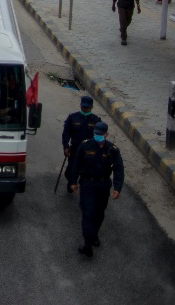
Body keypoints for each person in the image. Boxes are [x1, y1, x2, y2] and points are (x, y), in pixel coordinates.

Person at [66, 120, 125, 257]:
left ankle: (94, 235)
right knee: (88, 213)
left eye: (100, 135)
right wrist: (73, 181)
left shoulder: (112, 149)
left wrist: (117, 187)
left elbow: (118, 169)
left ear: (106, 134)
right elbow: (76, 164)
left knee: (99, 213)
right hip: (88, 184)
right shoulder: (85, 145)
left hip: (103, 185)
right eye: (96, 134)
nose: (97, 136)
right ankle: (87, 244)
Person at [61, 94, 101, 168]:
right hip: (75, 149)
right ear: (80, 106)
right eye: (84, 107)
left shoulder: (96, 120)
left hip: (89, 151)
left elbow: (99, 136)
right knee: (71, 170)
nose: (85, 109)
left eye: (87, 107)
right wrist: (66, 147)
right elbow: (66, 133)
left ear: (91, 107)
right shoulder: (72, 117)